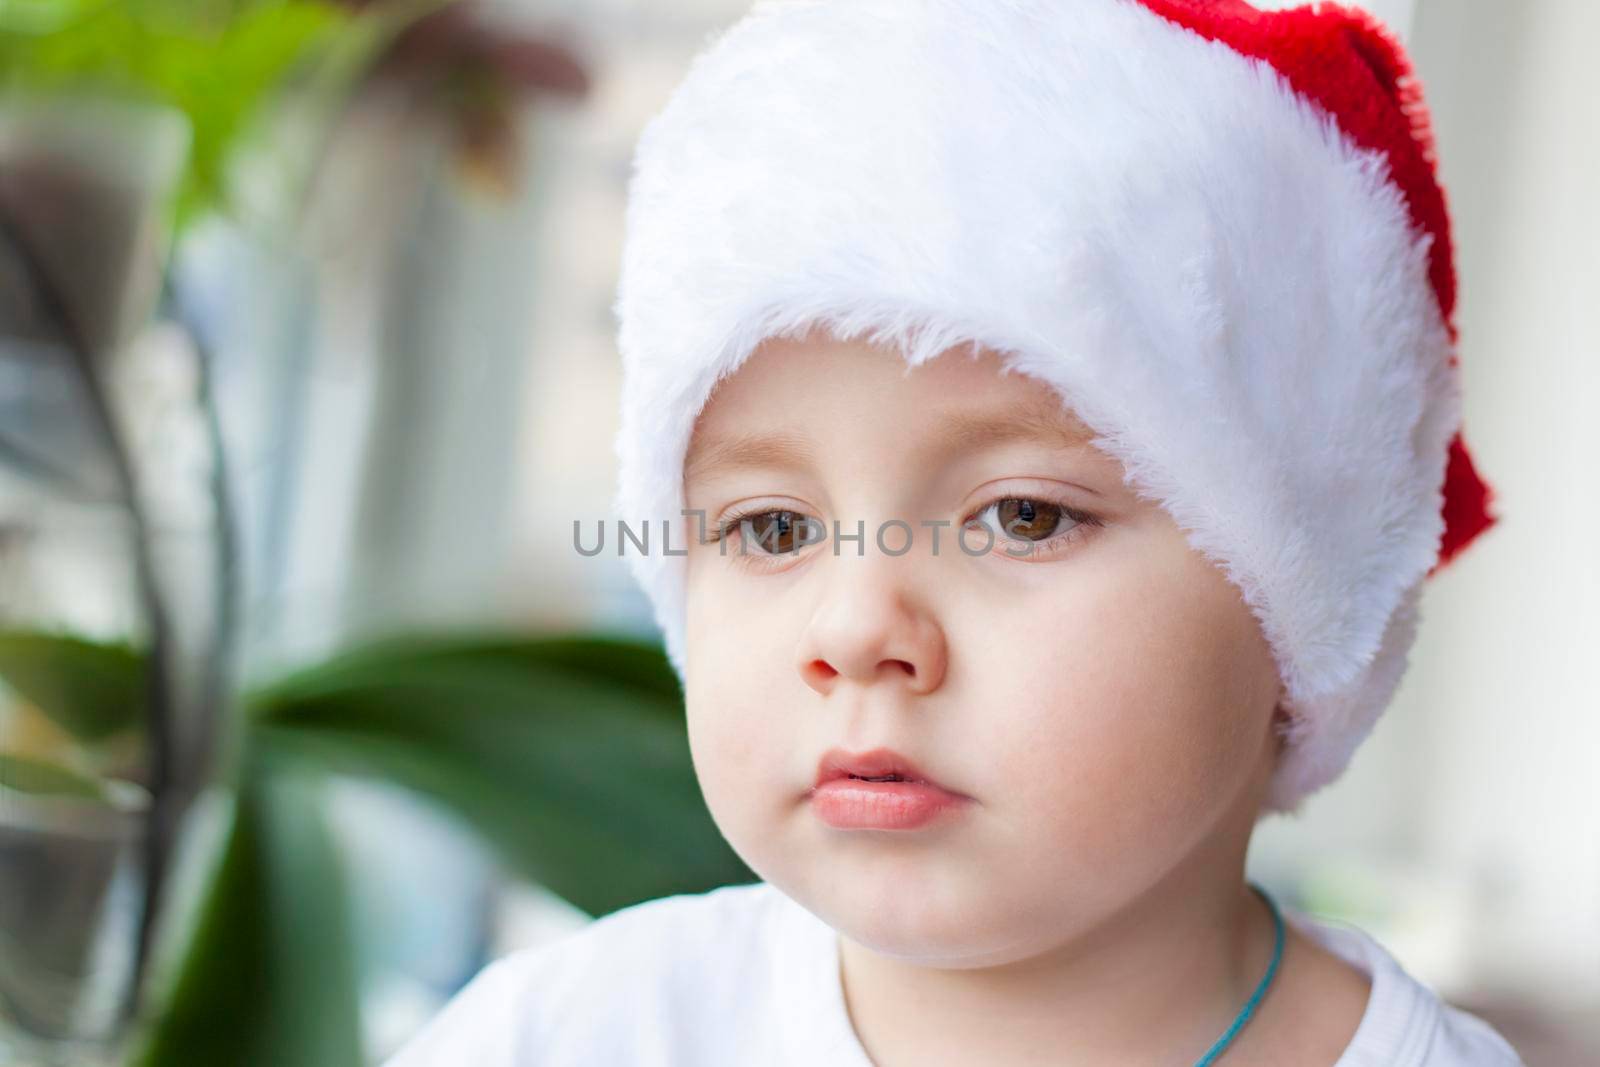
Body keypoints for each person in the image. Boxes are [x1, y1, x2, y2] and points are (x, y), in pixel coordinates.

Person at [384, 1, 1523, 1063]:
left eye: (1019, 515)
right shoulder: (566, 1035)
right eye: (772, 526)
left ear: (1298, 607)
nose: (856, 625)